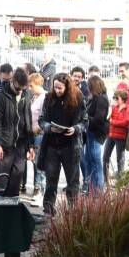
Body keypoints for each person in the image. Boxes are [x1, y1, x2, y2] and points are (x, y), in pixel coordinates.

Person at [37, 74, 87, 216]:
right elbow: (42, 119)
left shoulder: (78, 98)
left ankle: (74, 212)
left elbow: (84, 122)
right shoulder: (49, 98)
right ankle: (48, 209)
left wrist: (75, 129)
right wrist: (48, 127)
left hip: (70, 146)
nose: (57, 90)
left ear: (67, 87)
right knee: (51, 180)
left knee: (73, 181)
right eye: (55, 87)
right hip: (52, 145)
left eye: (60, 88)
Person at [0, 67, 35, 196]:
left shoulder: (26, 94)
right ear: (12, 80)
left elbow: (28, 119)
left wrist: (30, 145)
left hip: (20, 146)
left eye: (23, 88)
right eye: (17, 87)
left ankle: (13, 209)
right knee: (0, 184)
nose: (19, 91)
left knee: (16, 183)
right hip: (4, 145)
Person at [82, 75, 109, 192]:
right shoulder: (94, 98)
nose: (88, 89)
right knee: (90, 161)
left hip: (96, 133)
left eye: (89, 86)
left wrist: (85, 117)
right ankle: (93, 189)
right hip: (90, 132)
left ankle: (98, 190)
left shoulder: (101, 99)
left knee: (96, 162)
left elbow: (99, 118)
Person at [104, 88, 129, 181]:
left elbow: (126, 122)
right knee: (105, 156)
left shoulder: (127, 109)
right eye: (114, 97)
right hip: (111, 135)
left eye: (117, 98)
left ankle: (121, 178)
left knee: (120, 158)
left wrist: (113, 122)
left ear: (122, 99)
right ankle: (105, 178)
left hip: (121, 136)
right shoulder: (114, 108)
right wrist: (110, 113)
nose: (115, 99)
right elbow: (108, 118)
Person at [28, 72, 47, 195]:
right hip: (33, 134)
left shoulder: (44, 97)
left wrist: (38, 129)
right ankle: (37, 187)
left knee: (40, 163)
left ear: (38, 84)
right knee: (35, 162)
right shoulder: (34, 97)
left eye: (31, 86)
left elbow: (45, 118)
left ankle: (40, 189)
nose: (29, 88)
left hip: (40, 134)